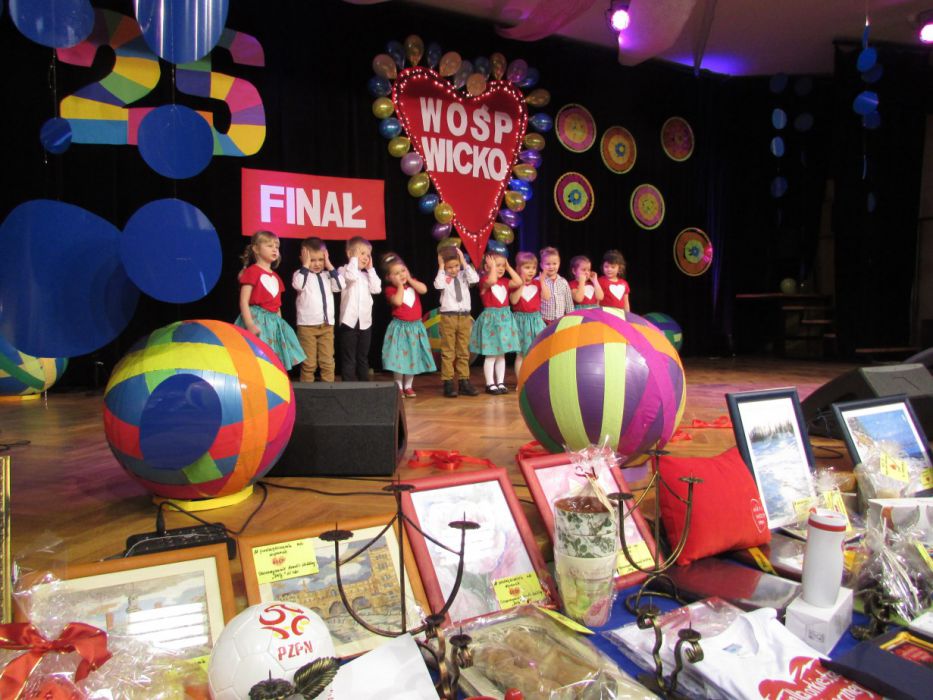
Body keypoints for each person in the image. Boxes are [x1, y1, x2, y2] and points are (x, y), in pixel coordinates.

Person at [235, 230, 305, 369]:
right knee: (258, 357)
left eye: (276, 247)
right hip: (258, 320)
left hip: (273, 323)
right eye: (269, 246)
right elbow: (243, 301)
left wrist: (280, 327)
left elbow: (277, 306)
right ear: (256, 249)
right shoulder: (252, 272)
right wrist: (249, 324)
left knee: (272, 359)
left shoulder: (276, 278)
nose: (274, 249)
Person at [380, 252, 435, 397]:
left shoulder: (412, 284)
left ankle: (408, 386)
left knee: (413, 357)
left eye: (403, 270)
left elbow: (424, 289)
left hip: (415, 328)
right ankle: (398, 386)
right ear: (388, 277)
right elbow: (397, 301)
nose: (401, 275)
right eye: (396, 273)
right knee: (399, 358)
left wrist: (409, 279)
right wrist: (399, 286)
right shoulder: (390, 290)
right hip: (400, 329)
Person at [292, 237, 344, 383]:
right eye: (312, 260)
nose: (317, 264)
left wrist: (329, 265)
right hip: (307, 326)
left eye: (320, 259)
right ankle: (307, 392)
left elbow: (340, 286)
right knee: (309, 363)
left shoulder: (328, 275)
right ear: (303, 258)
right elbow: (298, 285)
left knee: (327, 362)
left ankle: (329, 391)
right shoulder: (300, 274)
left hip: (326, 326)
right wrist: (305, 265)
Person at [469, 251, 522, 394]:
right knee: (491, 354)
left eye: (502, 266)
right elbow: (492, 281)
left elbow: (519, 282)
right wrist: (492, 268)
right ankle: (490, 383)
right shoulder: (484, 281)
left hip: (504, 320)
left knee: (501, 354)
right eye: (497, 265)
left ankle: (500, 382)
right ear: (487, 267)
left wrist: (509, 267)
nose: (500, 268)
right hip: (491, 322)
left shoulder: (505, 282)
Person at [433, 246, 480, 398]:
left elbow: (475, 279)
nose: (453, 270)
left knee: (463, 350)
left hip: (464, 317)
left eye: (456, 266)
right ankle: (448, 382)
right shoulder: (443, 277)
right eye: (450, 267)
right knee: (448, 351)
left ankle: (464, 381)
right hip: (448, 317)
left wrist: (464, 263)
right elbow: (438, 285)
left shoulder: (464, 275)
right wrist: (441, 267)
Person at [338, 236, 381, 381]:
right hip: (349, 322)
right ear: (350, 254)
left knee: (362, 356)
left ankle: (364, 386)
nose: (365, 257)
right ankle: (349, 387)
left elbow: (376, 289)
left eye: (368, 255)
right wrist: (353, 260)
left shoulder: (366, 276)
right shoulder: (343, 270)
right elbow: (351, 277)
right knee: (349, 358)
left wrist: (371, 269)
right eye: (361, 253)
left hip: (365, 323)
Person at [510, 251, 550, 379]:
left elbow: (547, 297)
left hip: (536, 321)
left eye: (533, 268)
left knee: (537, 352)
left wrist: (542, 282)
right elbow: (514, 301)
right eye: (527, 267)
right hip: (521, 322)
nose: (531, 271)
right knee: (521, 354)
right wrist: (521, 284)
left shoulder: (537, 284)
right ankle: (520, 382)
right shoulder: (514, 284)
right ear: (518, 269)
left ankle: (535, 380)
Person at [538, 246, 574, 325]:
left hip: (560, 321)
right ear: (541, 265)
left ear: (559, 264)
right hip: (543, 322)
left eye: (554, 264)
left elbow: (569, 304)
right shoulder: (537, 281)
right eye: (548, 264)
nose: (551, 267)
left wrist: (570, 319)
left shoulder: (563, 282)